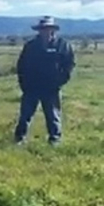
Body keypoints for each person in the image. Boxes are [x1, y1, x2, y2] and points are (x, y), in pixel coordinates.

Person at [14, 16, 75, 145]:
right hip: (32, 87)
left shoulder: (62, 45)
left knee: (53, 115)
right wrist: (24, 84)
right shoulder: (30, 46)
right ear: (39, 30)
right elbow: (21, 66)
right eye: (43, 29)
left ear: (53, 30)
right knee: (25, 115)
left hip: (52, 88)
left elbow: (69, 64)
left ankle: (55, 139)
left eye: (48, 29)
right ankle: (20, 138)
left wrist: (60, 81)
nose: (45, 31)